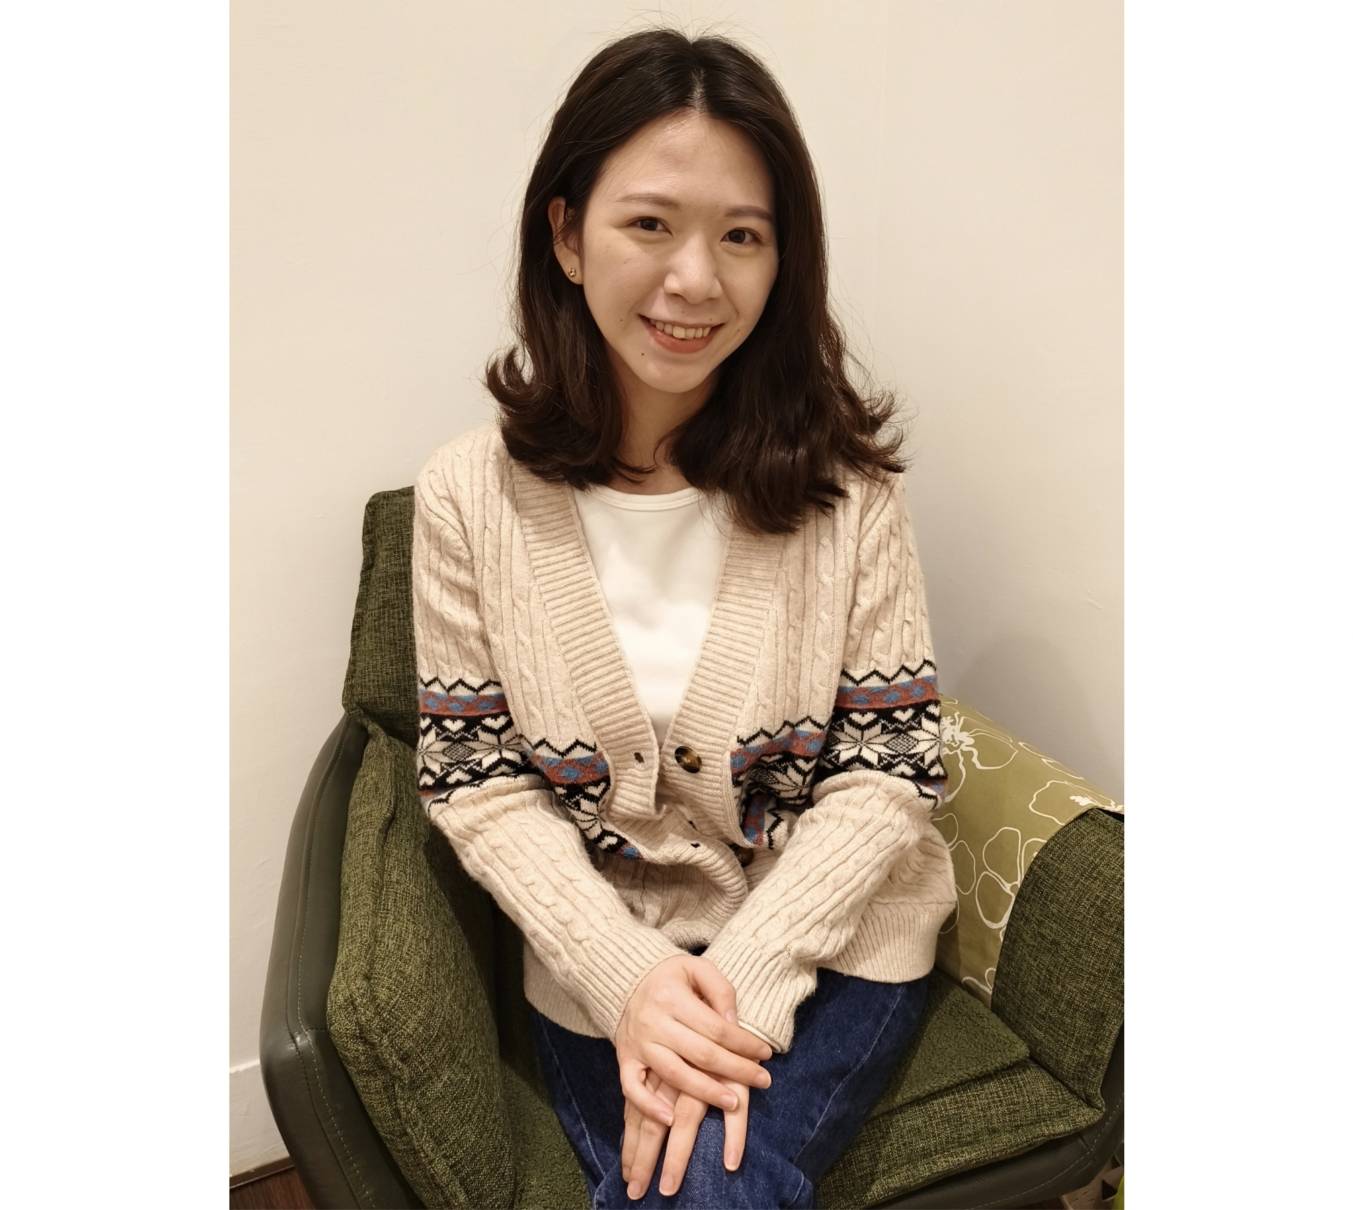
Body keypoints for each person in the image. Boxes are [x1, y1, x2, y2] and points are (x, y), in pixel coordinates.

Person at [411, 26, 956, 1209]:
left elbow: (890, 766)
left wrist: (747, 972)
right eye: (650, 223)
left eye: (742, 236)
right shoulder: (466, 495)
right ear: (567, 235)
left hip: (836, 936)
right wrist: (629, 978)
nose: (697, 279)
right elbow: (478, 782)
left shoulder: (849, 490)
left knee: (696, 1179)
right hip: (604, 957)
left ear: (783, 259)